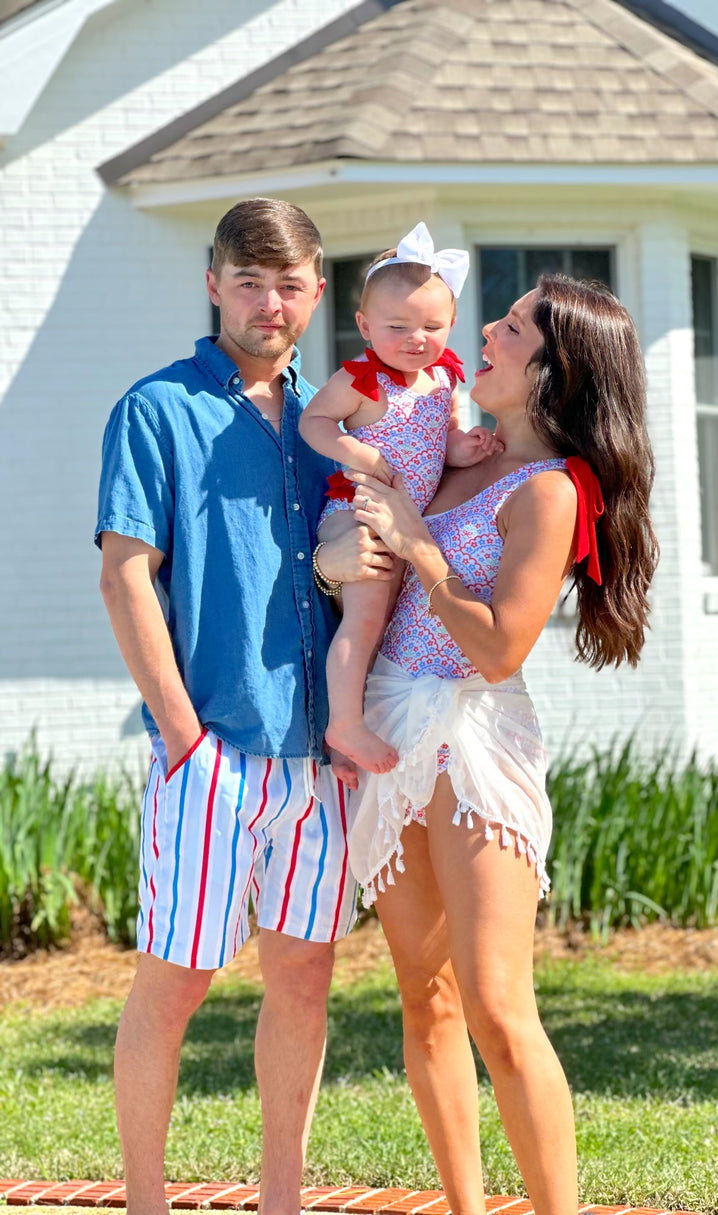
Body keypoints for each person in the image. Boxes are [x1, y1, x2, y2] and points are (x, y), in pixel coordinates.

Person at [95, 197, 390, 1215]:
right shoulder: (155, 409)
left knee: (304, 982)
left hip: (320, 761)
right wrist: (185, 740)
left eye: (291, 283)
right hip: (212, 753)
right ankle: (143, 1202)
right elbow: (127, 576)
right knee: (173, 985)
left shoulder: (336, 428)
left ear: (318, 292)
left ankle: (282, 1202)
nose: (271, 302)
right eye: (250, 281)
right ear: (216, 284)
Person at [345, 274, 659, 1215]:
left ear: (554, 369)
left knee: (494, 1002)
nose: (486, 328)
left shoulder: (552, 490)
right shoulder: (449, 456)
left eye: (513, 326)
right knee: (424, 996)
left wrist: (420, 545)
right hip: (394, 723)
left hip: (478, 736)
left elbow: (496, 647)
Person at [299, 221, 496, 777]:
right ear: (364, 326)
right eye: (398, 325)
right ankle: (345, 724)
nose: (416, 338)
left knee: (383, 628)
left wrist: (468, 447)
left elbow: (443, 447)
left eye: (432, 325)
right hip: (355, 513)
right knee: (361, 623)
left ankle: (342, 743)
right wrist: (357, 455)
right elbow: (314, 423)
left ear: (452, 323)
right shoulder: (362, 380)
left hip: (403, 521)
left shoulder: (442, 380)